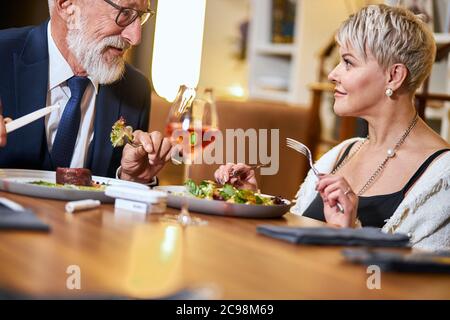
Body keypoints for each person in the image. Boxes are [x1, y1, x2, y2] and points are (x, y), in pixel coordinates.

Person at [215, 4, 450, 250]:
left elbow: (417, 283)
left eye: (348, 62)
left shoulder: (442, 178)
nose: (333, 74)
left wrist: (349, 234)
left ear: (394, 76)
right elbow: (297, 238)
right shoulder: (344, 152)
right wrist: (252, 200)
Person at [0, 0, 173, 184]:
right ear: (67, 6)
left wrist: (131, 180)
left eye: (140, 16)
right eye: (125, 13)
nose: (135, 37)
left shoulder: (135, 90)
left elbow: (120, 201)